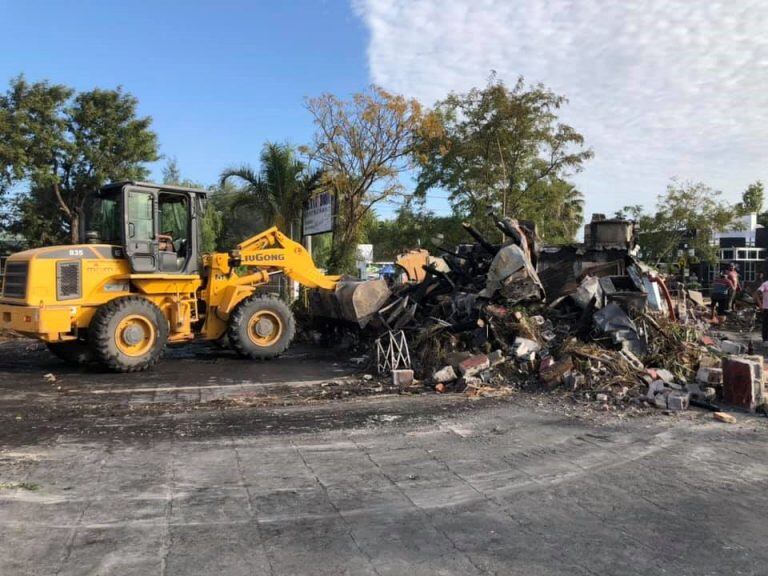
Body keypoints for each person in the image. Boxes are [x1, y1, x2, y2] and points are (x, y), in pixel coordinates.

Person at [754, 277, 768, 343]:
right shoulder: (765, 284)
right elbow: (757, 293)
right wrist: (760, 304)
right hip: (766, 308)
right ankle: (765, 340)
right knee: (766, 324)